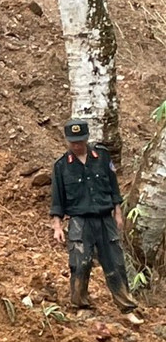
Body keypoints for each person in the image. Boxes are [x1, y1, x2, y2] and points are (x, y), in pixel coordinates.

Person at [50, 118, 141, 321]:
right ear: (67, 141)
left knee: (115, 263)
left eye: (80, 141)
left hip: (105, 219)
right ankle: (82, 305)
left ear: (87, 138)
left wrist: (118, 213)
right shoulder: (62, 166)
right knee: (80, 264)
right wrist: (57, 226)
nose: (77, 146)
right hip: (80, 221)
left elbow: (114, 187)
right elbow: (57, 199)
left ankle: (127, 308)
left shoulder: (101, 156)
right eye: (73, 142)